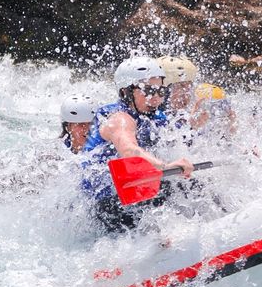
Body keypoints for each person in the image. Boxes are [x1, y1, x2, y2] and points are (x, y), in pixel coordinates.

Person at [81, 56, 194, 232]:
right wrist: (167, 166)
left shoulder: (154, 118)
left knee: (192, 184)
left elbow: (185, 143)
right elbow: (129, 150)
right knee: (169, 185)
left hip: (134, 195)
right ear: (126, 92)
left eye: (160, 91)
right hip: (105, 204)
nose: (155, 98)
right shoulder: (119, 118)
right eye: (148, 91)